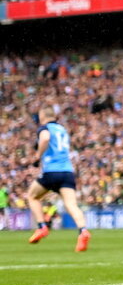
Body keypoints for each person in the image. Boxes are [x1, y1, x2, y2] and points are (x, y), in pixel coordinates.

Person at [26, 107, 90, 251]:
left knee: (32, 196)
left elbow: (45, 138)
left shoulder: (45, 128)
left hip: (51, 170)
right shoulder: (62, 130)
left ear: (42, 116)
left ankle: (42, 226)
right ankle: (83, 230)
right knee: (72, 205)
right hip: (67, 171)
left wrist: (38, 156)